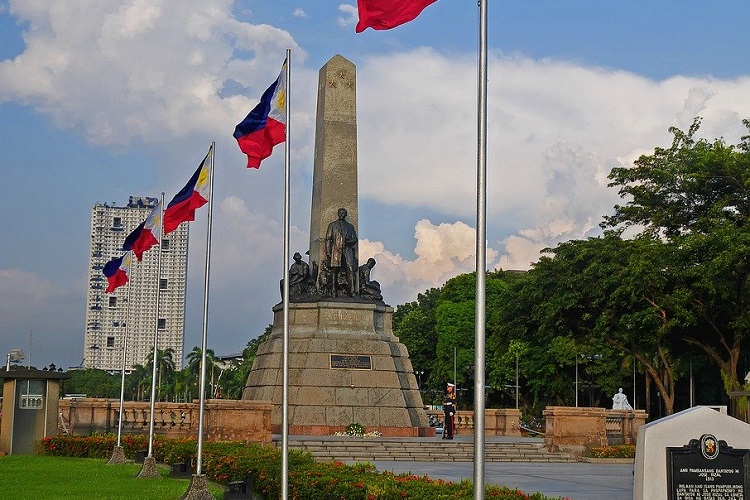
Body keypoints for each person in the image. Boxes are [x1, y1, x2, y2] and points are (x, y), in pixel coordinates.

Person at [325, 207, 358, 297]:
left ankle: (352, 291)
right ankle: (333, 291)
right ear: (338, 214)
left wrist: (349, 242)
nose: (341, 215)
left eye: (343, 213)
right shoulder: (332, 225)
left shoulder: (350, 226)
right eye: (340, 213)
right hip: (336, 250)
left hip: (347, 250)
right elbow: (328, 239)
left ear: (345, 214)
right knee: (334, 270)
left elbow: (355, 239)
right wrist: (328, 252)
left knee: (350, 269)